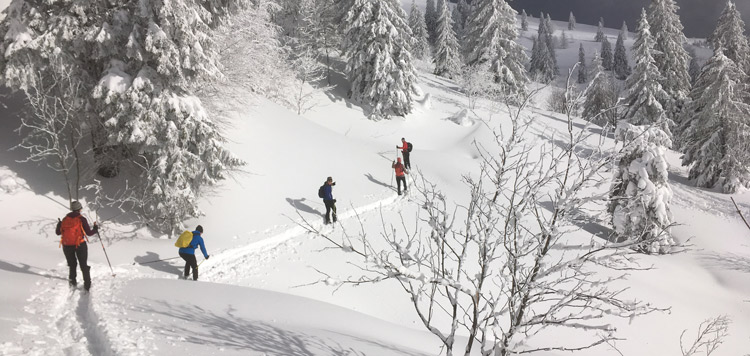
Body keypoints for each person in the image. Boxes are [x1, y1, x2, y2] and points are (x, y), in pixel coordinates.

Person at [56, 200, 98, 291]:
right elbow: (89, 233)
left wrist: (59, 224)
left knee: (72, 265)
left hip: (67, 245)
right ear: (79, 209)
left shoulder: (65, 219)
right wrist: (95, 229)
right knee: (83, 265)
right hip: (80, 245)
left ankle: (72, 283)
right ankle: (87, 285)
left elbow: (58, 232)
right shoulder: (81, 219)